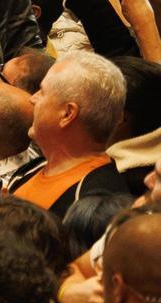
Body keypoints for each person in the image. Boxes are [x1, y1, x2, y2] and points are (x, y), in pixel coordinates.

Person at [11, 51, 130, 216]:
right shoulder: (32, 168)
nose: (32, 99)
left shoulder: (95, 205)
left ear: (67, 114)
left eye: (42, 92)